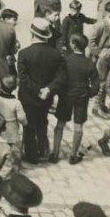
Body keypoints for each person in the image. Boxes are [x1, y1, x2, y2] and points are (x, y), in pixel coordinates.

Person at [17, 18, 65, 164]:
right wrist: (48, 89)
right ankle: (43, 149)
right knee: (42, 122)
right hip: (47, 97)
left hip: (29, 97)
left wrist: (38, 91)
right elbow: (60, 77)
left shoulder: (24, 53)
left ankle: (31, 155)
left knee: (29, 126)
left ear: (32, 34)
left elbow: (23, 78)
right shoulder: (56, 54)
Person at [52, 33, 99, 165]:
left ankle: (55, 153)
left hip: (66, 96)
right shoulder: (89, 63)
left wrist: (59, 92)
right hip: (81, 98)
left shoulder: (66, 60)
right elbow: (96, 84)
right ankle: (73, 156)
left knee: (60, 124)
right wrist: (89, 93)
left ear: (73, 45)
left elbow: (59, 79)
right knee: (78, 126)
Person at [0, 75, 25, 172]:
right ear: (14, 88)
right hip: (11, 130)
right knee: (13, 151)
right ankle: (12, 169)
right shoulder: (16, 102)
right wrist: (24, 122)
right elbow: (22, 118)